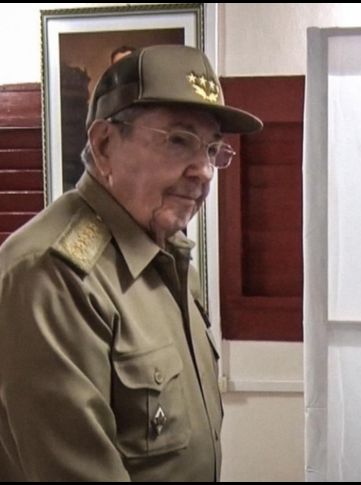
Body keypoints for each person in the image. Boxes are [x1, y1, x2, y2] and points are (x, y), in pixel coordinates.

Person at [0, 45, 262, 480]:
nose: (204, 170)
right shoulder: (53, 275)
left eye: (213, 149)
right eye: (179, 140)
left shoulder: (171, 257)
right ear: (104, 144)